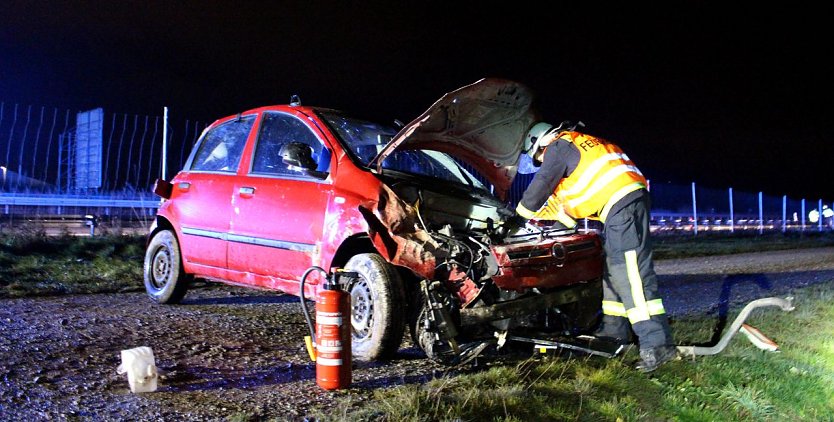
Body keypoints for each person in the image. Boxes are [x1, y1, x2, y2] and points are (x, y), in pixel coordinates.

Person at [501, 121, 677, 372]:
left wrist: (516, 218)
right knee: (614, 270)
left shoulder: (559, 146)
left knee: (631, 273)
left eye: (539, 158)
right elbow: (565, 214)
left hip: (622, 205)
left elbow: (539, 187)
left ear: (541, 143)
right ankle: (614, 332)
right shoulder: (579, 150)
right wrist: (541, 232)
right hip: (624, 203)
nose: (542, 162)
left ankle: (657, 344)